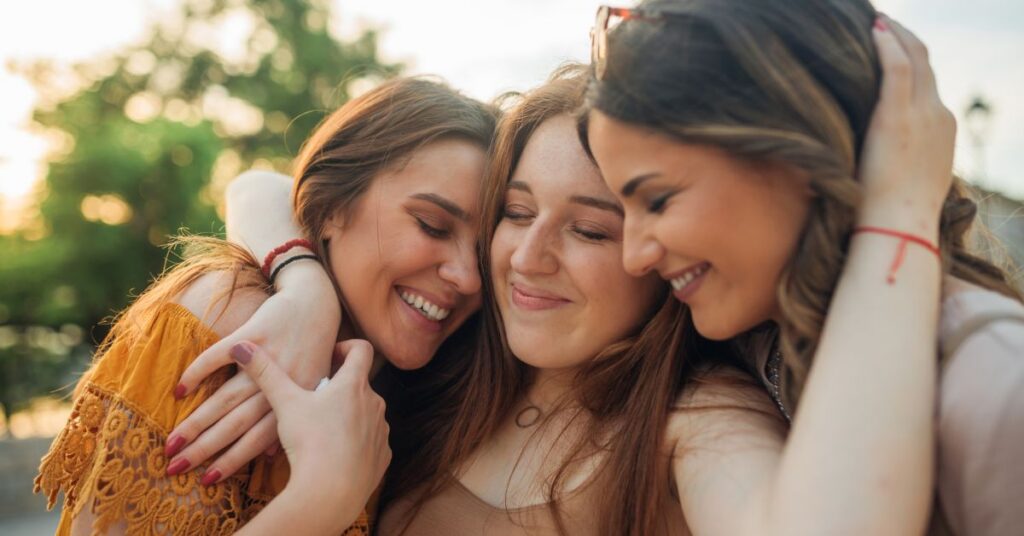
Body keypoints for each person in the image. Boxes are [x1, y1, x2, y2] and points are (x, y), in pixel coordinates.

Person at [583, 1, 1024, 534]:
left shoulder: (996, 387)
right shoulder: (754, 343)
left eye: (657, 200)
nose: (635, 258)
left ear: (799, 154)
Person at [33, 77, 498, 535]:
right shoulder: (230, 320)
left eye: (483, 252)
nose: (468, 277)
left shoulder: (416, 384)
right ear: (335, 205)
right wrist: (321, 501)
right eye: (432, 225)